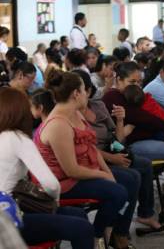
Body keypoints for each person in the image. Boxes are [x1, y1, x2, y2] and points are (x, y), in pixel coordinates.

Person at [34, 70, 134, 248]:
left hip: (79, 174)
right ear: (76, 94)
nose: (88, 93)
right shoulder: (58, 124)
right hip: (63, 183)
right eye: (84, 89)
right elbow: (70, 170)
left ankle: (112, 232)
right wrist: (103, 176)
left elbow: (91, 148)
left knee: (129, 179)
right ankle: (97, 236)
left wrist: (107, 172)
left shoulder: (75, 114)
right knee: (118, 192)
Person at [102, 62, 164, 224]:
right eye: (132, 82)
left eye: (139, 82)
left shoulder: (133, 93)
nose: (137, 86)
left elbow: (153, 115)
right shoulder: (112, 97)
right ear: (119, 80)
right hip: (134, 143)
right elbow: (142, 117)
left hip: (154, 135)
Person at [74, 69, 164, 234]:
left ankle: (143, 214)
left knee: (143, 165)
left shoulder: (98, 106)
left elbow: (117, 139)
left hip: (109, 152)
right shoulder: (71, 116)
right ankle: (117, 232)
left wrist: (120, 120)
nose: (138, 86)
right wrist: (112, 158)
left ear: (88, 91)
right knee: (131, 178)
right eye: (133, 82)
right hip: (92, 160)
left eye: (80, 91)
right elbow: (85, 150)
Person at [0, 87, 95, 249]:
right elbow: (51, 184)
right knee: (83, 228)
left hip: (11, 209)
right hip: (8, 222)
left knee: (77, 214)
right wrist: (54, 203)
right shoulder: (18, 139)